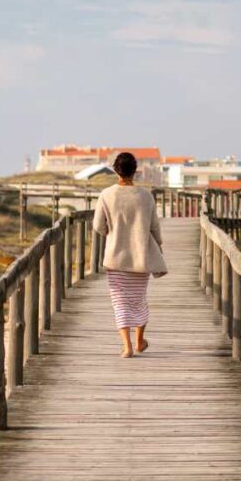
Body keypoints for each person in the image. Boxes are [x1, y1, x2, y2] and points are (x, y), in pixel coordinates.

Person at [92, 152, 168, 358]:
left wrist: (113, 231)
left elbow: (98, 226)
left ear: (116, 170)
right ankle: (139, 341)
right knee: (138, 299)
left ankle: (127, 347)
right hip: (141, 256)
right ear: (135, 170)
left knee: (119, 301)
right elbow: (154, 227)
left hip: (116, 258)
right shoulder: (145, 196)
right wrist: (159, 245)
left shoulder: (106, 195)